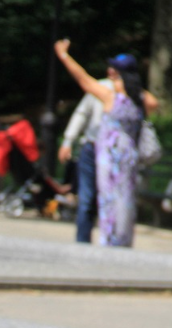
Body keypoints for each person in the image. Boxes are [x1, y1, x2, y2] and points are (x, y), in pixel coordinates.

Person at [55, 41, 158, 247]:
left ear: (119, 74)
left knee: (109, 195)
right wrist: (132, 84)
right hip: (129, 153)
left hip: (110, 154)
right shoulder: (139, 99)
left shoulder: (111, 96)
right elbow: (153, 103)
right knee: (125, 196)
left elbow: (83, 79)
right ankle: (122, 238)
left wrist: (64, 56)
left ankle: (110, 238)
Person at [58, 72, 114, 242]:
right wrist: (68, 140)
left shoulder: (132, 92)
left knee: (109, 197)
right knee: (87, 197)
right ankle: (82, 241)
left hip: (114, 152)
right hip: (92, 146)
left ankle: (110, 241)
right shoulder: (100, 86)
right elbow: (81, 113)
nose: (113, 72)